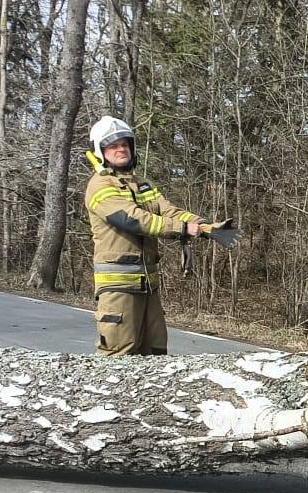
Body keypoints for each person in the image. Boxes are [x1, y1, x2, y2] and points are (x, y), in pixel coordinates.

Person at [83, 116, 221, 357]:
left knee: (155, 352)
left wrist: (203, 225)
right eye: (113, 145)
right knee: (118, 354)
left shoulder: (142, 184)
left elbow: (167, 210)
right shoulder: (100, 186)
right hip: (119, 287)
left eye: (125, 143)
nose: (121, 149)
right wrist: (180, 228)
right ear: (100, 151)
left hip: (148, 285)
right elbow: (132, 219)